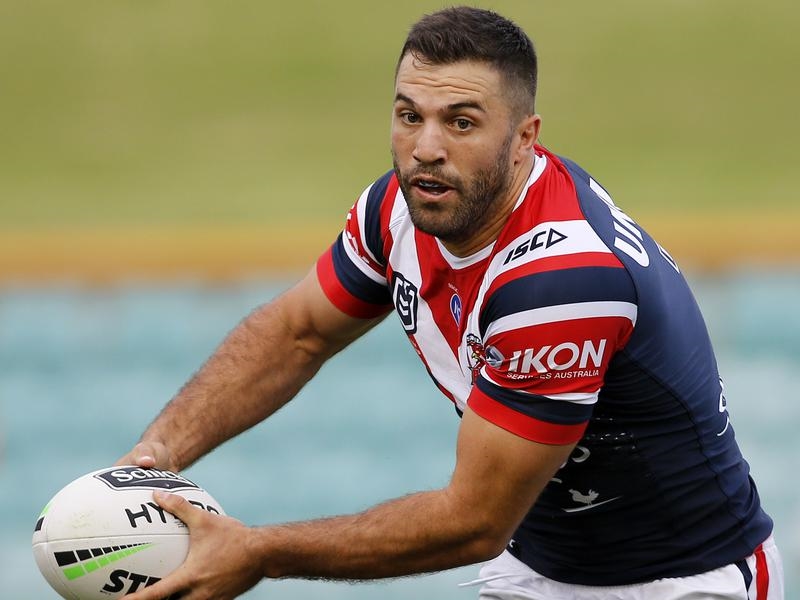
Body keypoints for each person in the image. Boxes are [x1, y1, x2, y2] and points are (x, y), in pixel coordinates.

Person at [118, 6, 784, 599]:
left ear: (524, 139)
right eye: (410, 116)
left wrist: (260, 551)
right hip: (537, 566)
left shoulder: (559, 280)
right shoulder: (399, 209)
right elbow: (299, 333)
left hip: (680, 579)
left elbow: (475, 523)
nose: (426, 150)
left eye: (461, 122)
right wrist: (159, 452)